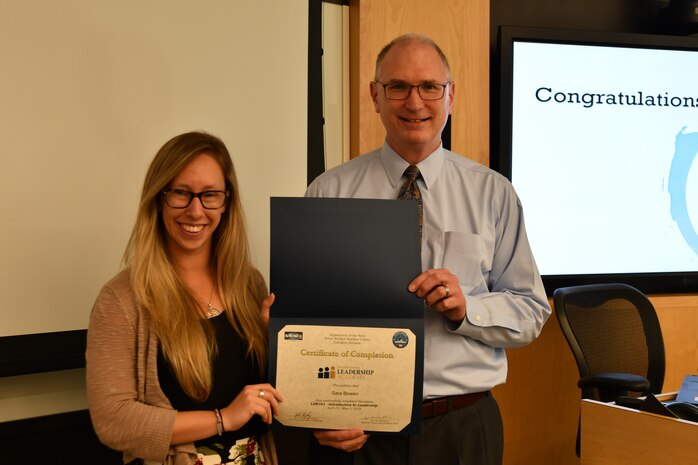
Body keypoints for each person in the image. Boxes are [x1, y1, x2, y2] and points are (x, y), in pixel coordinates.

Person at [304, 34, 551, 465]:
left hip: (462, 426)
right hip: (360, 431)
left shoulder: (493, 194)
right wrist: (319, 410)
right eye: (397, 86)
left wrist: (466, 309)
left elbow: (531, 312)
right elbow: (306, 319)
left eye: (429, 87)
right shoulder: (329, 192)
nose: (414, 102)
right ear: (375, 96)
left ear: (450, 95)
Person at [86, 131, 282, 465]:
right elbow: (114, 421)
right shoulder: (121, 299)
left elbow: (264, 394)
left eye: (210, 195)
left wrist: (275, 341)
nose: (195, 210)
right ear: (159, 198)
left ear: (226, 202)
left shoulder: (250, 284)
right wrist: (224, 418)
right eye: (181, 193)